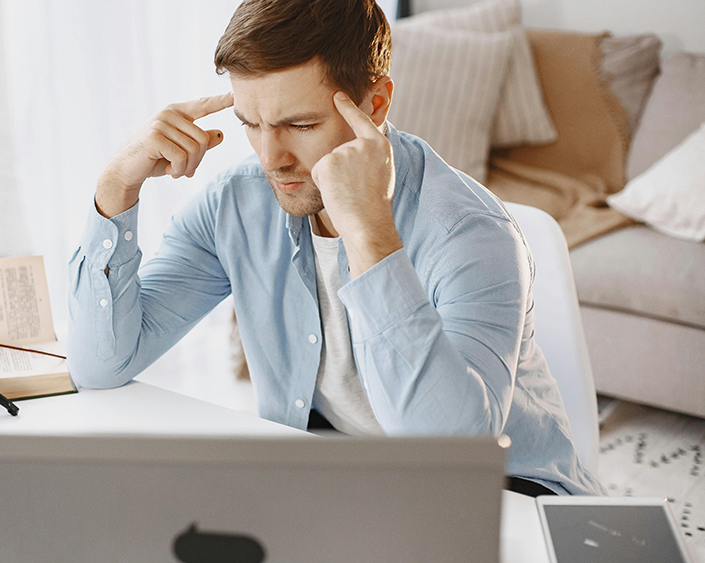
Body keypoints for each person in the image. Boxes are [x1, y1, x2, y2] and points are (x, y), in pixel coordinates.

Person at [67, 0, 603, 496]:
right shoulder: (236, 204)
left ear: (376, 103)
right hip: (347, 486)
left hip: (503, 498)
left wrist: (370, 231)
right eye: (251, 125)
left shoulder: (471, 232)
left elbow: (451, 455)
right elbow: (100, 365)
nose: (270, 158)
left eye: (299, 124)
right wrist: (116, 187)